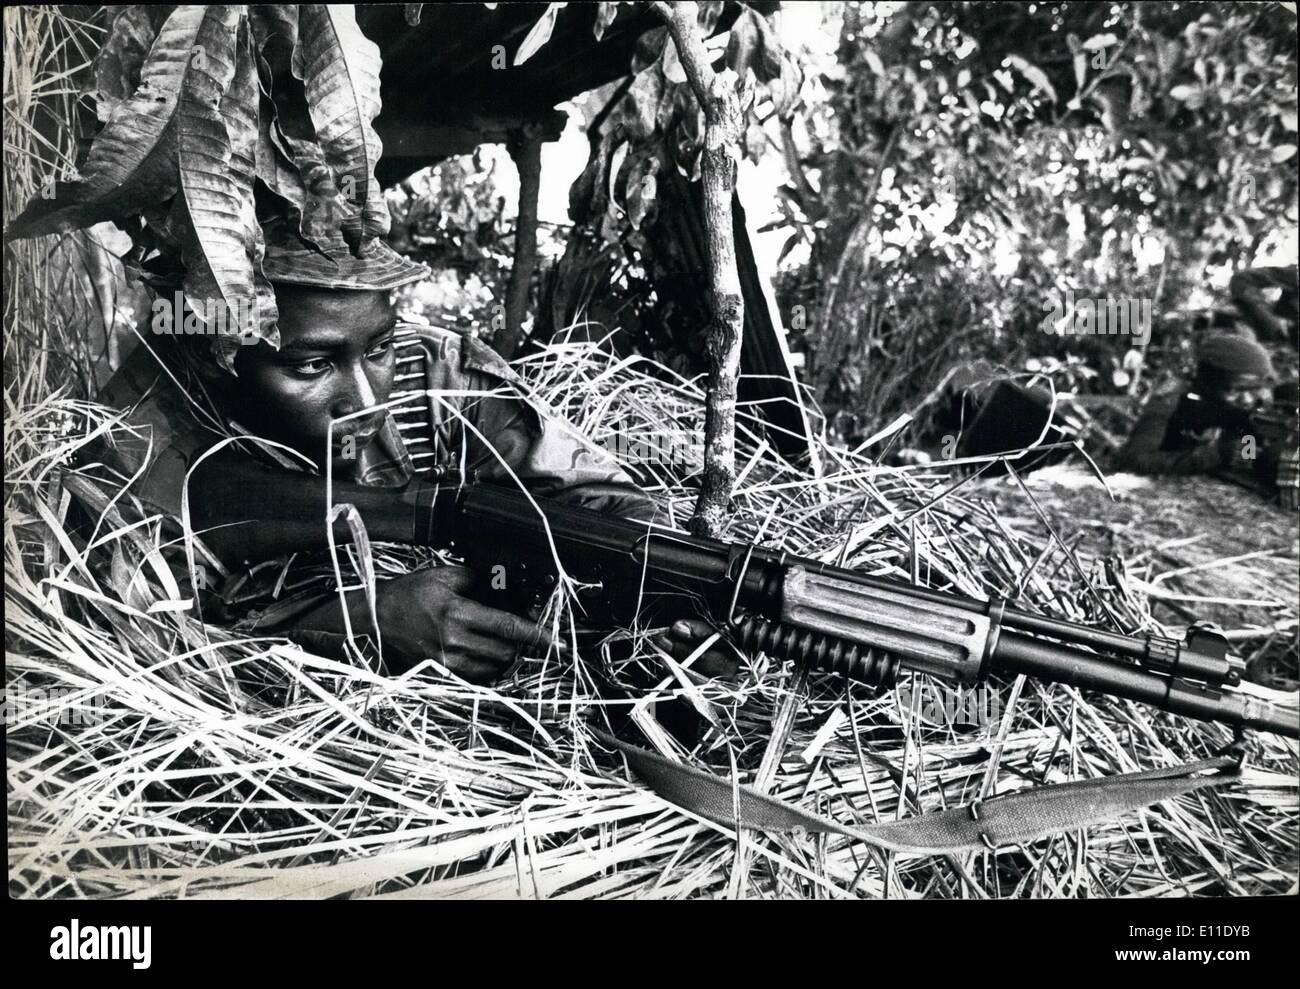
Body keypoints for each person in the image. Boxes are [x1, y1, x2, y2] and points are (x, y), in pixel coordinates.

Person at [89, 223, 728, 681]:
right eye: (311, 365)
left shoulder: (439, 377)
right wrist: (357, 621)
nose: (367, 399)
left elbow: (608, 505)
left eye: (378, 350)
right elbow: (136, 650)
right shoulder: (142, 431)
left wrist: (646, 600)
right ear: (217, 356)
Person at [1115, 332, 1297, 506]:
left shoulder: (1265, 401)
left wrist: (1248, 450)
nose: (1248, 399)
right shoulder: (1170, 401)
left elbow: (1247, 444)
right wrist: (1215, 455)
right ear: (1207, 382)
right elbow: (1135, 459)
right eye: (1235, 391)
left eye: (1255, 389)